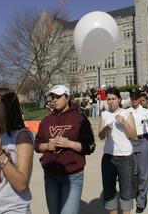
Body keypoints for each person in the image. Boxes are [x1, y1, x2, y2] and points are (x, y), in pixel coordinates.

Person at [35, 85, 96, 214]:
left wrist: (69, 144)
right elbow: (37, 144)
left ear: (67, 97)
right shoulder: (46, 121)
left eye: (58, 97)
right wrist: (47, 146)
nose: (54, 100)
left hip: (73, 176)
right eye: (53, 97)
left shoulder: (80, 119)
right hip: (50, 175)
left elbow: (90, 146)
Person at [99, 88, 137, 214]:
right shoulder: (104, 115)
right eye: (108, 99)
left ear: (119, 99)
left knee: (126, 191)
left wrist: (124, 122)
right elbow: (100, 136)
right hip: (109, 157)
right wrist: (105, 129)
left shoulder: (127, 113)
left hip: (125, 157)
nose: (110, 102)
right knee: (109, 192)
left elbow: (134, 135)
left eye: (113, 99)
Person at [127, 90, 148, 213]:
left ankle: (141, 200)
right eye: (132, 97)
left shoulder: (146, 111)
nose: (134, 99)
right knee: (133, 173)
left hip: (143, 141)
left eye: (136, 97)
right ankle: (137, 193)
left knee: (143, 173)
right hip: (130, 142)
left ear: (140, 98)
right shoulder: (126, 111)